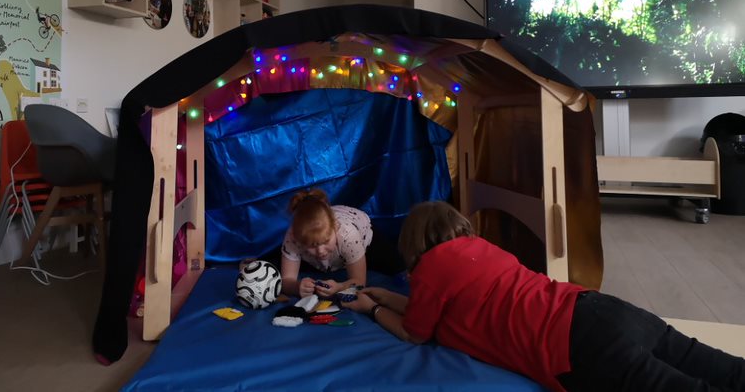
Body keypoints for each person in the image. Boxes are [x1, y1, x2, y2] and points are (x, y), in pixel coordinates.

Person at [342, 201, 745, 392]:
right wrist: (388, 296)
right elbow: (434, 310)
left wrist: (372, 308)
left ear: (415, 243)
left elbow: (415, 332)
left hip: (576, 347)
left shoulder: (430, 269)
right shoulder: (482, 249)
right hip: (597, 308)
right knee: (715, 366)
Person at [280, 188, 372, 299]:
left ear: (335, 227)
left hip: (360, 231)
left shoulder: (348, 236)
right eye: (312, 245)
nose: (320, 251)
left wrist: (339, 287)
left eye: (326, 241)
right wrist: (296, 286)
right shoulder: (293, 236)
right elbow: (286, 281)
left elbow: (360, 283)